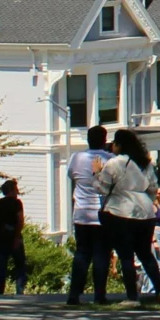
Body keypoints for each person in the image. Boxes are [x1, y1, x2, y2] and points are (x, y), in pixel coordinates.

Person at [95, 129, 160, 301]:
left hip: (121, 211)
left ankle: (132, 296)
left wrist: (96, 172)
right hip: (146, 212)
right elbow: (153, 188)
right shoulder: (145, 163)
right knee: (145, 254)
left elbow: (102, 188)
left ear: (119, 145)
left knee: (126, 255)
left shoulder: (114, 163)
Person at [66, 125, 114, 304]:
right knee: (101, 255)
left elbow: (72, 175)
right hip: (102, 213)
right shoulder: (110, 159)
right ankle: (99, 294)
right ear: (104, 140)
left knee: (81, 254)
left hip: (81, 212)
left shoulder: (76, 158)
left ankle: (74, 294)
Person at [0, 179, 28, 295]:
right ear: (11, 190)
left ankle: (0, 290)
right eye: (16, 189)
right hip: (13, 236)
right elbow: (20, 221)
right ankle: (20, 289)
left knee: (2, 266)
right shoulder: (16, 203)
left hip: (0, 238)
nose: (17, 192)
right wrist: (17, 237)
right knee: (20, 264)